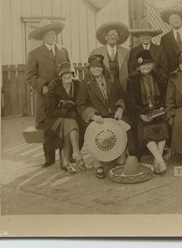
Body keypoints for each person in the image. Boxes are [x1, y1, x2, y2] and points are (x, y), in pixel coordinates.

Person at [26, 19, 71, 167]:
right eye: (47, 34)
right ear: (42, 37)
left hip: (62, 94)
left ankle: (66, 157)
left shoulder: (63, 51)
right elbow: (30, 76)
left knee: (64, 123)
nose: (51, 36)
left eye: (53, 34)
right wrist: (43, 86)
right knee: (48, 127)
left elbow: (69, 69)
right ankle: (49, 158)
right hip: (45, 98)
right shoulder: (35, 54)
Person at [76, 55, 127, 179]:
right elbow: (81, 104)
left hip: (114, 115)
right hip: (98, 117)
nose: (96, 70)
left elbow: (121, 96)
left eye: (98, 67)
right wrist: (93, 116)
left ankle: (120, 159)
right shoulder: (84, 84)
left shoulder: (112, 80)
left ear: (103, 68)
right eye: (93, 67)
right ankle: (98, 163)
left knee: (124, 127)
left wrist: (120, 109)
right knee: (96, 132)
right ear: (89, 69)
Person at [126, 50, 170, 174]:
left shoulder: (160, 77)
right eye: (143, 65)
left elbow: (165, 96)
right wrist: (141, 114)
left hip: (157, 112)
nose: (146, 67)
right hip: (141, 113)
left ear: (152, 65)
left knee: (163, 126)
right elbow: (130, 102)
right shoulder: (132, 79)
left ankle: (158, 160)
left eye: (148, 64)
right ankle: (160, 162)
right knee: (145, 129)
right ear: (138, 66)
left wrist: (161, 108)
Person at [45, 62, 86, 174]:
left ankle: (66, 162)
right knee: (70, 123)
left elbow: (82, 102)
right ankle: (77, 155)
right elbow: (50, 111)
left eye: (70, 73)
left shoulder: (78, 85)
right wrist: (66, 113)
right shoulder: (54, 88)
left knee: (70, 127)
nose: (67, 76)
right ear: (60, 76)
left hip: (74, 118)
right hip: (55, 119)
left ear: (73, 74)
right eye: (64, 74)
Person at [89, 22, 130, 92]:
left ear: (118, 38)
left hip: (122, 86)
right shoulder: (96, 52)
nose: (112, 36)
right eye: (110, 34)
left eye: (115, 35)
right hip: (103, 87)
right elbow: (90, 73)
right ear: (105, 37)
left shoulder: (126, 53)